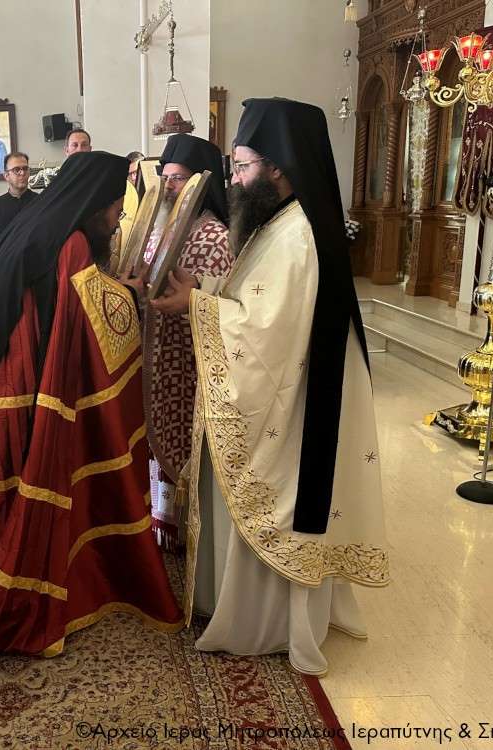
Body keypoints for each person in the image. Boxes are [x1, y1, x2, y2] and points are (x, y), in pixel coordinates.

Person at [0, 151, 183, 656]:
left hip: (3, 368)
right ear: (95, 203)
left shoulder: (40, 224)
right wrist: (130, 296)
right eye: (115, 207)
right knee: (30, 469)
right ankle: (27, 569)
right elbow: (91, 313)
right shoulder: (70, 242)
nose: (116, 218)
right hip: (23, 373)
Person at [152, 98, 390, 675]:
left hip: (292, 409)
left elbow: (265, 334)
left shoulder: (297, 235)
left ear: (277, 166)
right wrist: (203, 291)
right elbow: (251, 300)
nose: (234, 179)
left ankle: (262, 620)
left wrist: (196, 307)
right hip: (290, 392)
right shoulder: (277, 223)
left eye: (242, 166)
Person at [135, 134, 233, 552]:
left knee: (188, 443)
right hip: (157, 356)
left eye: (179, 179)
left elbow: (222, 304)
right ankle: (163, 521)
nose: (169, 186)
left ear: (200, 184)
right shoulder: (160, 230)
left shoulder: (215, 236)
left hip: (190, 363)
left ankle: (189, 529)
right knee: (156, 443)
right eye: (166, 177)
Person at [0, 151, 37, 267]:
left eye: (25, 169)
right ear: (6, 176)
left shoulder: (41, 203)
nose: (22, 173)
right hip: (3, 270)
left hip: (35, 269)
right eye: (16, 170)